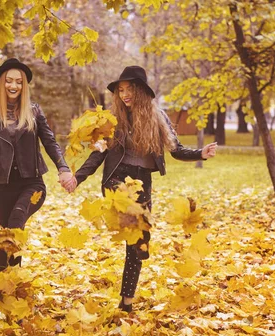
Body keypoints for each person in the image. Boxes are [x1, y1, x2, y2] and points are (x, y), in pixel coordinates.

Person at [73, 66, 217, 312]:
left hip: (142, 183)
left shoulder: (156, 116)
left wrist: (199, 154)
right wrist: (78, 177)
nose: (125, 94)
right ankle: (142, 236)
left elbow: (176, 149)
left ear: (140, 91)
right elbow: (97, 155)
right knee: (139, 228)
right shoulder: (112, 119)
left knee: (136, 245)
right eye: (121, 90)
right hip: (116, 180)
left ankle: (126, 302)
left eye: (129, 89)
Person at [0, 58, 76, 278]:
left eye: (18, 82)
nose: (13, 86)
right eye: (9, 81)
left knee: (12, 232)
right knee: (13, 240)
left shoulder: (34, 112)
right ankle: (14, 290)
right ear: (1, 84)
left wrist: (63, 168)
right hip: (3, 187)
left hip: (32, 184)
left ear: (24, 85)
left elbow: (50, 142)